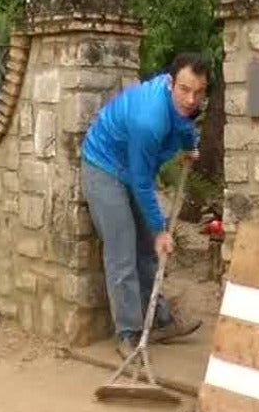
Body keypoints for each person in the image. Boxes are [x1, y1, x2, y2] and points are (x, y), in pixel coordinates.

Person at [80, 52, 208, 356]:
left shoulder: (180, 106)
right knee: (123, 250)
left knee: (147, 252)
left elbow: (185, 125)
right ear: (169, 82)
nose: (191, 99)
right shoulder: (149, 120)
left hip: (132, 169)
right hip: (105, 168)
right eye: (185, 90)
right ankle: (127, 333)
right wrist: (161, 229)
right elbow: (141, 181)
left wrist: (190, 147)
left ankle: (159, 321)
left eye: (198, 92)